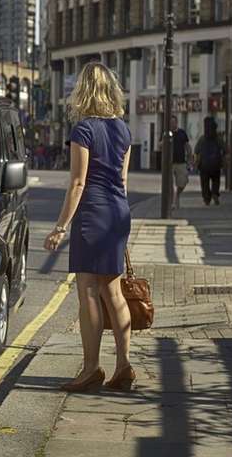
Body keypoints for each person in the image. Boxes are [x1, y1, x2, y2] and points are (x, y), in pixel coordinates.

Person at [44, 62, 135, 393]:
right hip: (117, 213)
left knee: (88, 293)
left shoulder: (83, 130)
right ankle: (124, 364)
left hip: (93, 214)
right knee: (114, 291)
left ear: (83, 91)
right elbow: (122, 181)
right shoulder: (123, 130)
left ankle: (91, 368)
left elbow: (78, 182)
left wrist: (59, 227)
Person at [194, 117, 224, 206]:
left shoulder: (202, 139)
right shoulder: (218, 139)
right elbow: (226, 149)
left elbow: (196, 151)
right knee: (216, 180)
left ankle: (206, 198)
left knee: (204, 182)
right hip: (216, 164)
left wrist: (196, 162)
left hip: (204, 165)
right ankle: (215, 193)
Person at [169, 115, 192, 210]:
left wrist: (190, 160)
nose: (172, 124)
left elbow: (187, 147)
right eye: (170, 122)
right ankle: (174, 202)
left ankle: (176, 195)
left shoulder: (182, 133)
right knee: (173, 185)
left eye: (174, 122)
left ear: (177, 122)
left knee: (183, 183)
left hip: (181, 162)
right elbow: (160, 145)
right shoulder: (167, 133)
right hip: (170, 163)